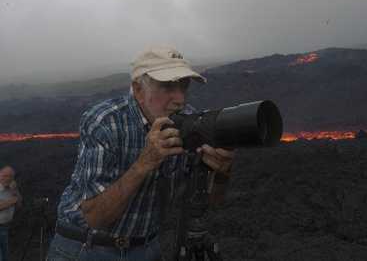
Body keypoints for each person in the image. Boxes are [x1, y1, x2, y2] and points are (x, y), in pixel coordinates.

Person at [47, 47, 235, 261]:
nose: (180, 99)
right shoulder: (106, 121)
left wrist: (222, 172)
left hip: (147, 247)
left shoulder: (189, 120)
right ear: (138, 90)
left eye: (184, 86)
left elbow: (211, 203)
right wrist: (145, 162)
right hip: (87, 247)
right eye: (167, 86)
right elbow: (95, 217)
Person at [0, 166, 22, 261]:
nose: (7, 178)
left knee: (5, 256)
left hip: (5, 227)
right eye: (4, 175)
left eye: (10, 176)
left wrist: (15, 191)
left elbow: (20, 205)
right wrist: (14, 200)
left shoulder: (12, 189)